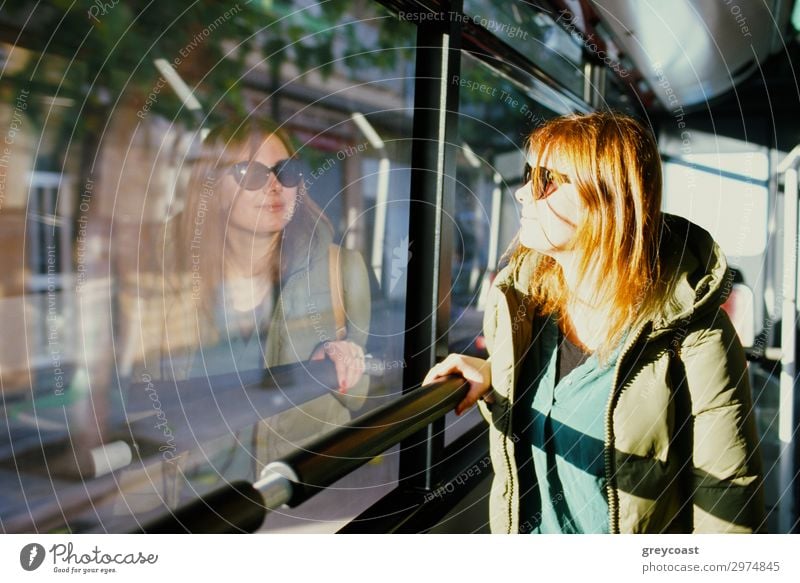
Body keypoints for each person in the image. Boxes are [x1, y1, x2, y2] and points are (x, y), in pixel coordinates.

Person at [424, 111, 764, 534]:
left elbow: (728, 508)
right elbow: (554, 397)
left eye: (545, 179)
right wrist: (495, 374)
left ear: (605, 199)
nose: (522, 193)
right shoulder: (525, 311)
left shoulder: (695, 337)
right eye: (528, 174)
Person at [119, 115, 371, 510]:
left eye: (285, 172)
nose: (274, 186)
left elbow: (360, 395)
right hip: (196, 507)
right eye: (250, 173)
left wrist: (344, 362)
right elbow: (139, 406)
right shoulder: (163, 281)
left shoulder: (340, 270)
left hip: (300, 506)